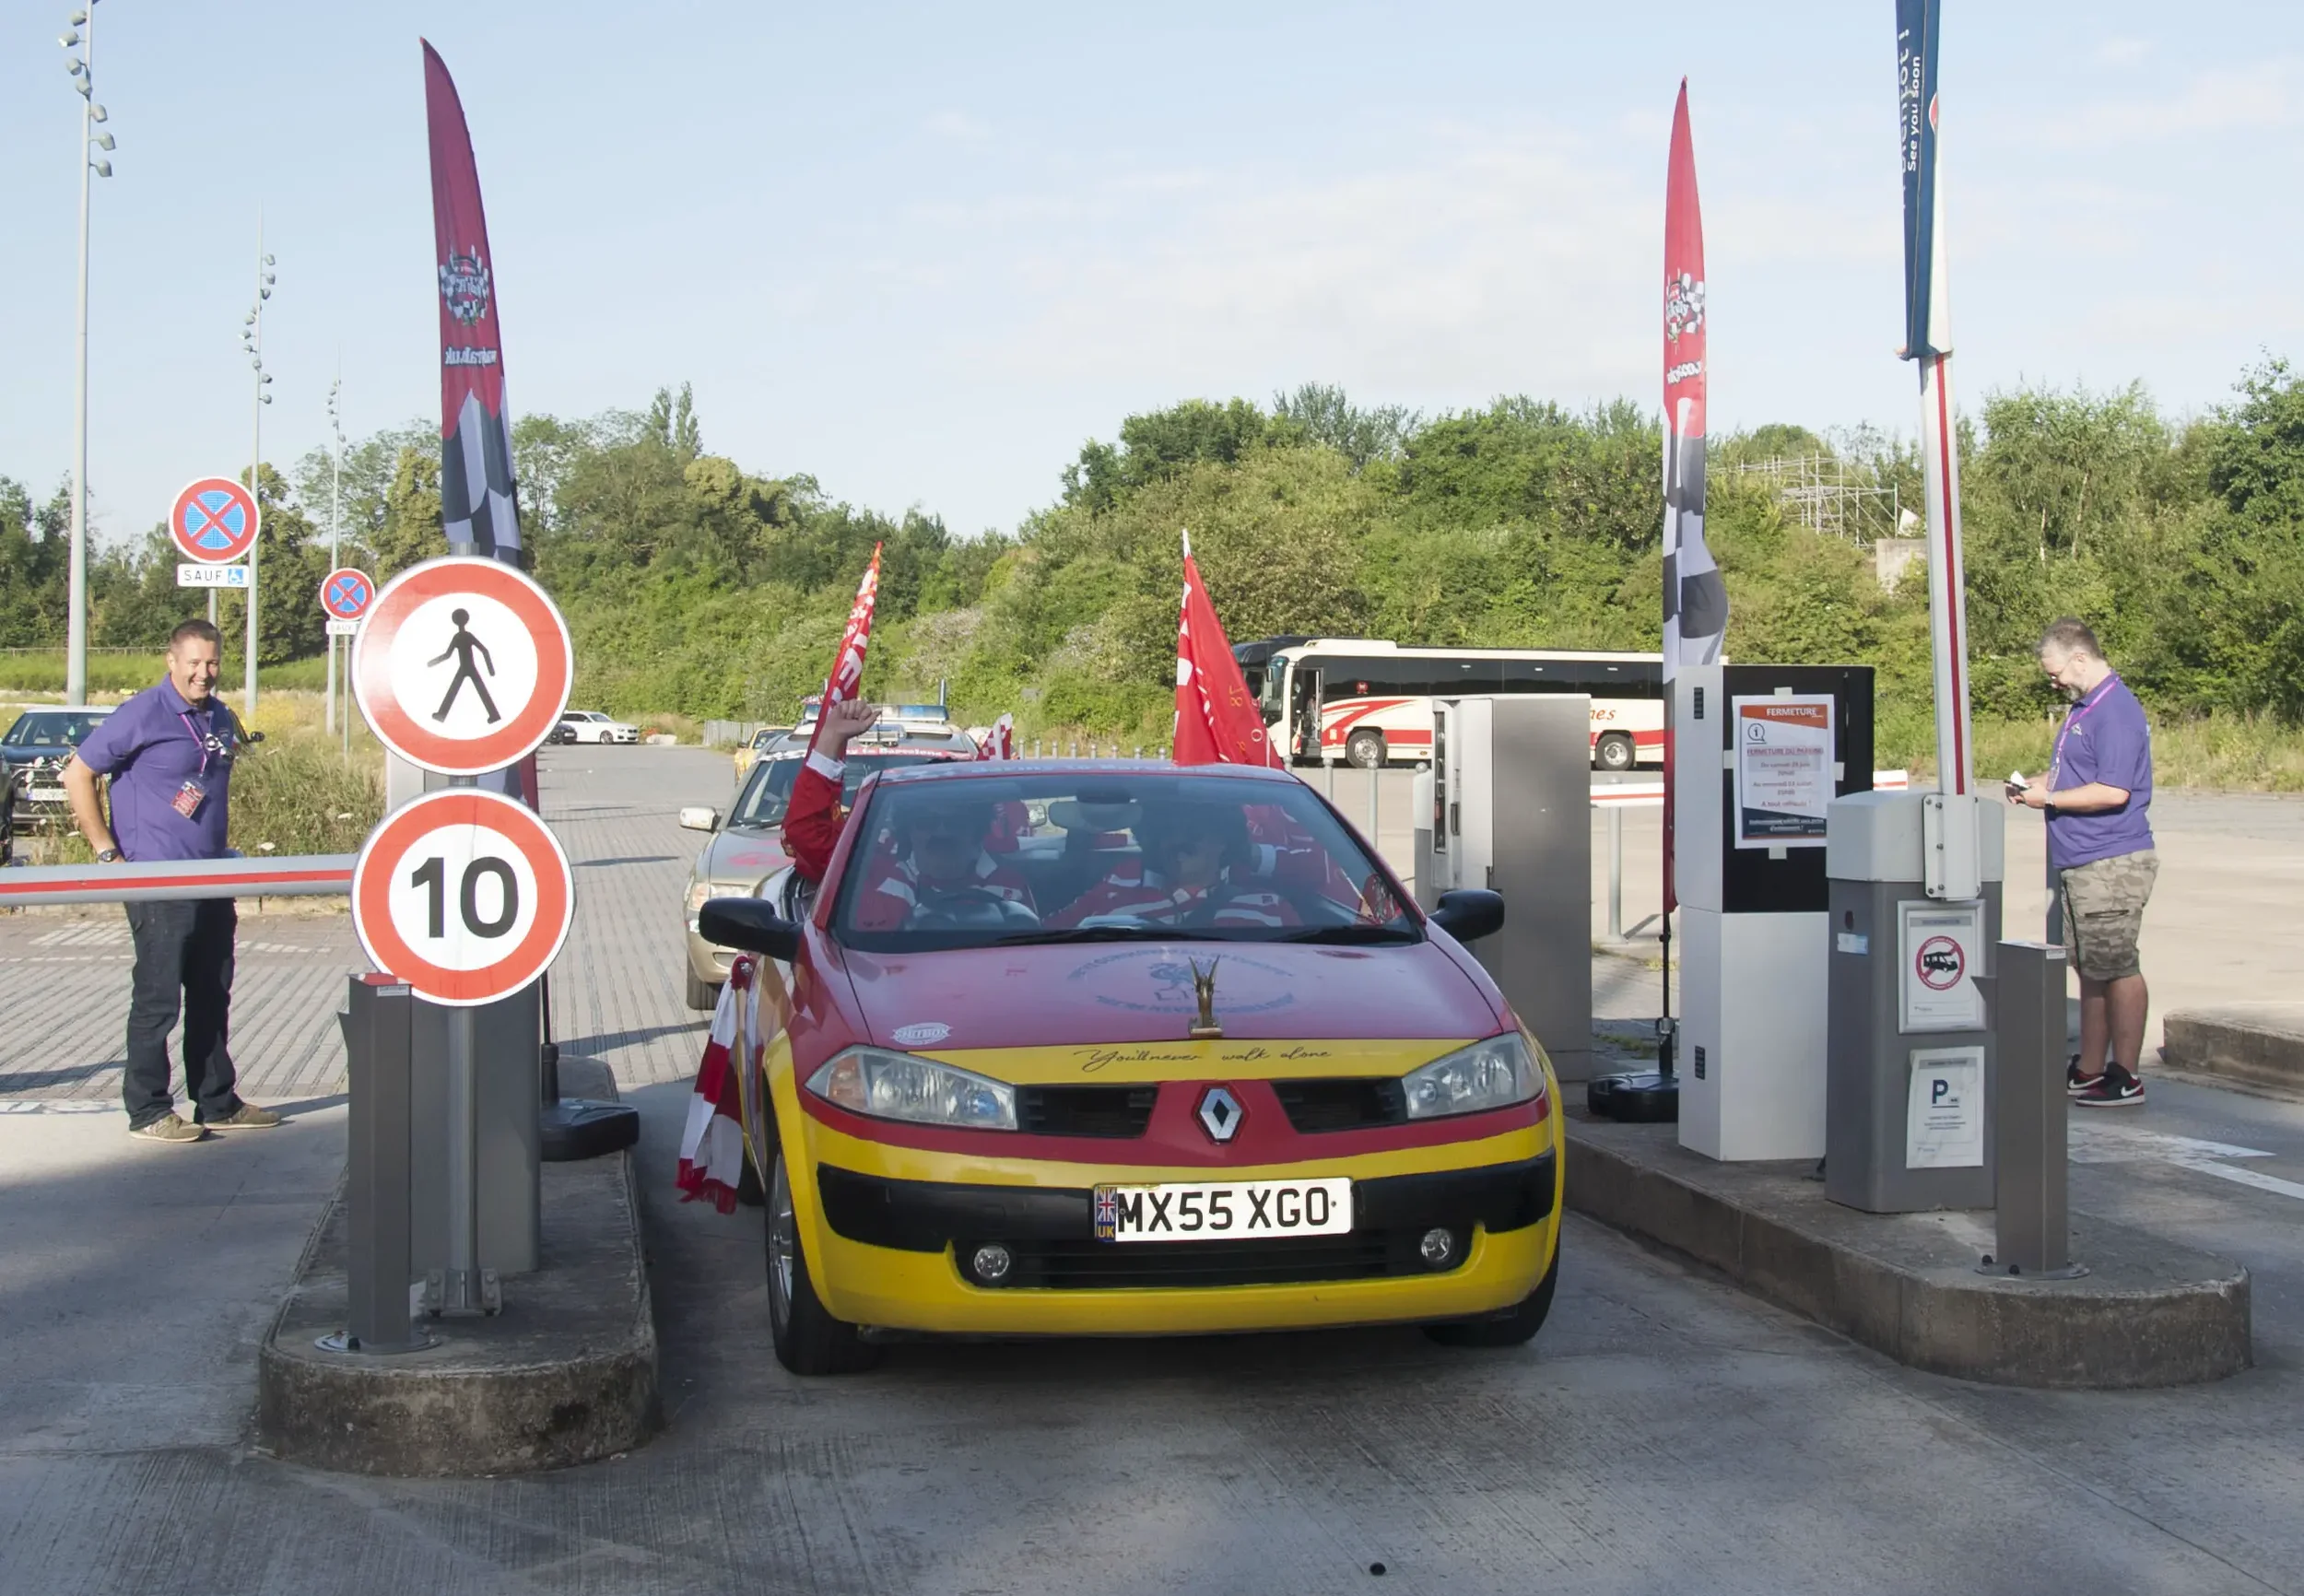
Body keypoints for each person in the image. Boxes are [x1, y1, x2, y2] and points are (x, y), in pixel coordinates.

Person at [60, 619, 281, 1143]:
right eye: (194, 664)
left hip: (210, 877)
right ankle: (148, 1109)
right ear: (171, 661)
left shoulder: (220, 716)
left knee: (212, 993)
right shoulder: (144, 712)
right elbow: (77, 773)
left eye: (212, 663)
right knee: (159, 999)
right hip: (158, 879)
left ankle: (216, 1101)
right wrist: (107, 852)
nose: (204, 673)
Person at [2009, 617, 2156, 1108]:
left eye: (2055, 673)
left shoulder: (2114, 711)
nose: (2054, 681)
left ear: (2079, 657)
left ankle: (2126, 1074)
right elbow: (2070, 775)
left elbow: (2113, 790)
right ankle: (2091, 1068)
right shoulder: (2084, 708)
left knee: (2117, 967)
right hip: (2081, 859)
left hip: (2110, 859)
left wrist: (2046, 802)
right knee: (2091, 967)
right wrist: (2033, 786)